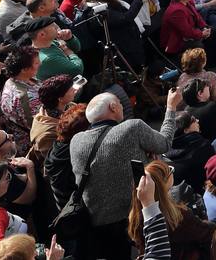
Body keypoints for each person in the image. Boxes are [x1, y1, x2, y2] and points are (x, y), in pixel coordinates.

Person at [69, 90, 182, 258]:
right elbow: (164, 142)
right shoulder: (132, 127)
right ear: (113, 107)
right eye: (120, 103)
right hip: (136, 218)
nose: (122, 106)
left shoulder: (76, 141)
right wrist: (171, 107)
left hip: (98, 224)